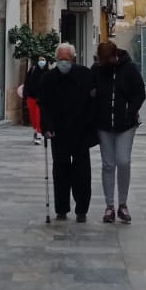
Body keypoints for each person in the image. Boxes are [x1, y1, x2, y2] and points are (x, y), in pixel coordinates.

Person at [37, 42, 96, 222]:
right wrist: (47, 128)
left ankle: (81, 210)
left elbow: (93, 103)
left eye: (67, 59)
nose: (64, 62)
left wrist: (91, 129)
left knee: (82, 172)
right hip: (58, 132)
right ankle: (61, 209)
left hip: (81, 132)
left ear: (73, 59)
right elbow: (43, 104)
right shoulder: (48, 78)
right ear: (56, 59)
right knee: (60, 171)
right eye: (61, 59)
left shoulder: (85, 75)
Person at [92, 41, 146, 224]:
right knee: (108, 164)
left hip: (126, 125)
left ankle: (123, 203)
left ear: (114, 56)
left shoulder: (129, 69)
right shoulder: (97, 69)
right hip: (104, 125)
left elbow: (140, 93)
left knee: (123, 161)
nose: (104, 64)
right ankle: (109, 206)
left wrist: (129, 112)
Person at [22, 56, 49, 144]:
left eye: (43, 60)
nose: (41, 61)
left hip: (42, 99)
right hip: (31, 97)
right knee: (33, 116)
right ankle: (35, 130)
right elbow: (27, 82)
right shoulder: (33, 70)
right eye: (40, 60)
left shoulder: (48, 72)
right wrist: (25, 94)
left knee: (38, 115)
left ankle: (38, 133)